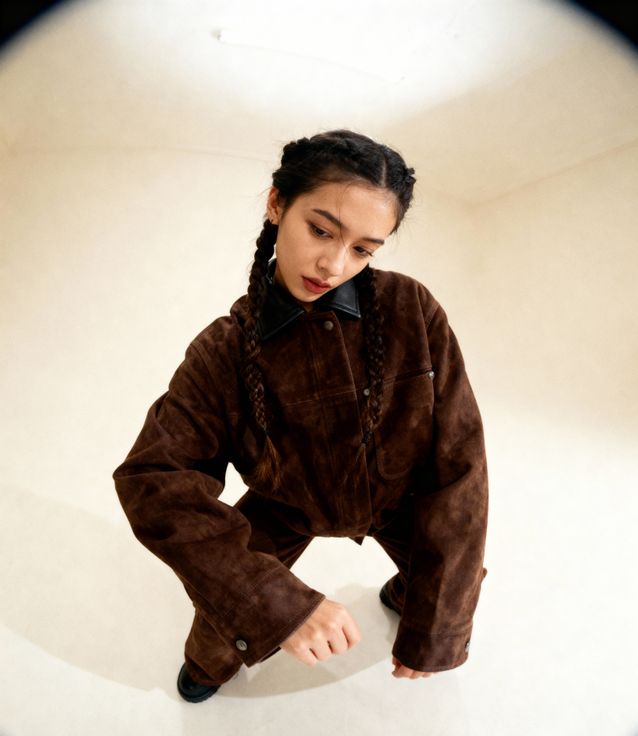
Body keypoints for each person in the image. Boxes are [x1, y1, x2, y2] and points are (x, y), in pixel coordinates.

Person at [112, 129, 489, 703]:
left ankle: (406, 592)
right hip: (284, 506)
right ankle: (207, 666)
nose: (334, 264)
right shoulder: (224, 350)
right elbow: (152, 480)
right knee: (222, 622)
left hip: (395, 500)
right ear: (276, 204)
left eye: (363, 249)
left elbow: (459, 462)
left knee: (453, 575)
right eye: (321, 229)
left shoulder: (413, 309)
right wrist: (278, 605)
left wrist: (437, 632)